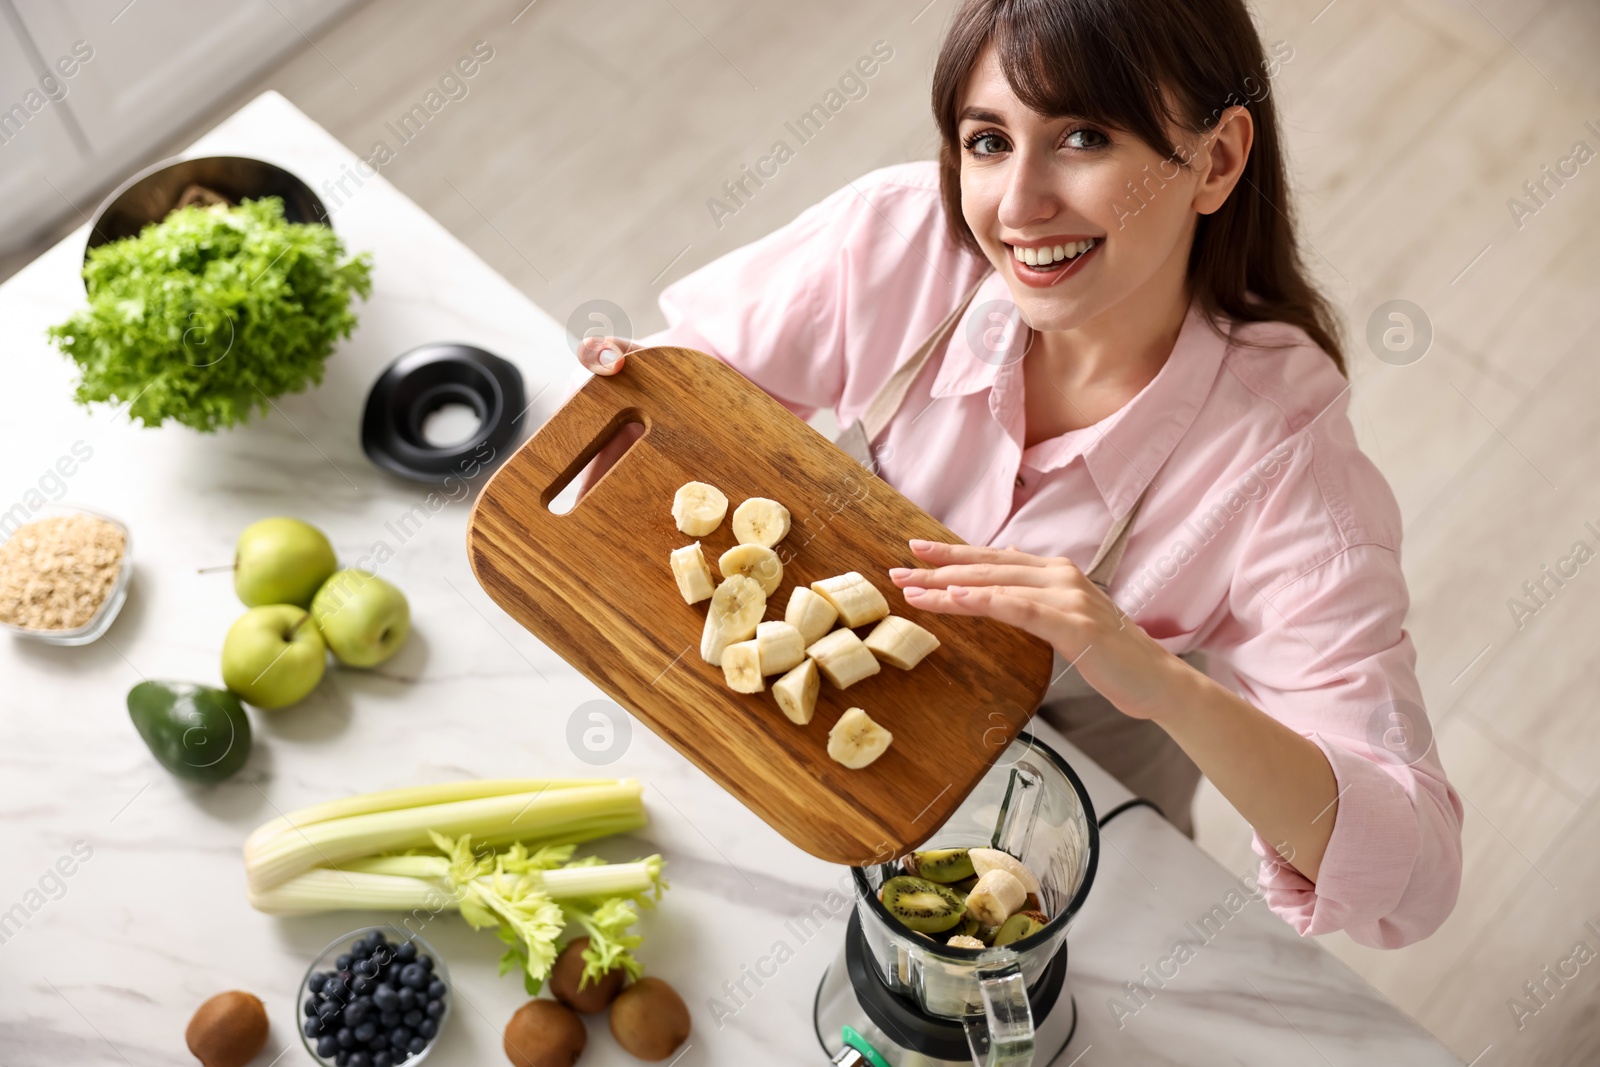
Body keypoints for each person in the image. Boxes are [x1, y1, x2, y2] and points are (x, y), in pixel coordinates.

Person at [573, 0, 1461, 948]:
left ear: (1217, 159)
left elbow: (1413, 873)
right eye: (988, 141)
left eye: (1083, 137)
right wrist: (647, 390)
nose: (1017, 205)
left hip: (1057, 811)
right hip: (796, 738)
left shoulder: (1288, 471)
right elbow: (696, 380)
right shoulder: (900, 237)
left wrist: (1159, 679)